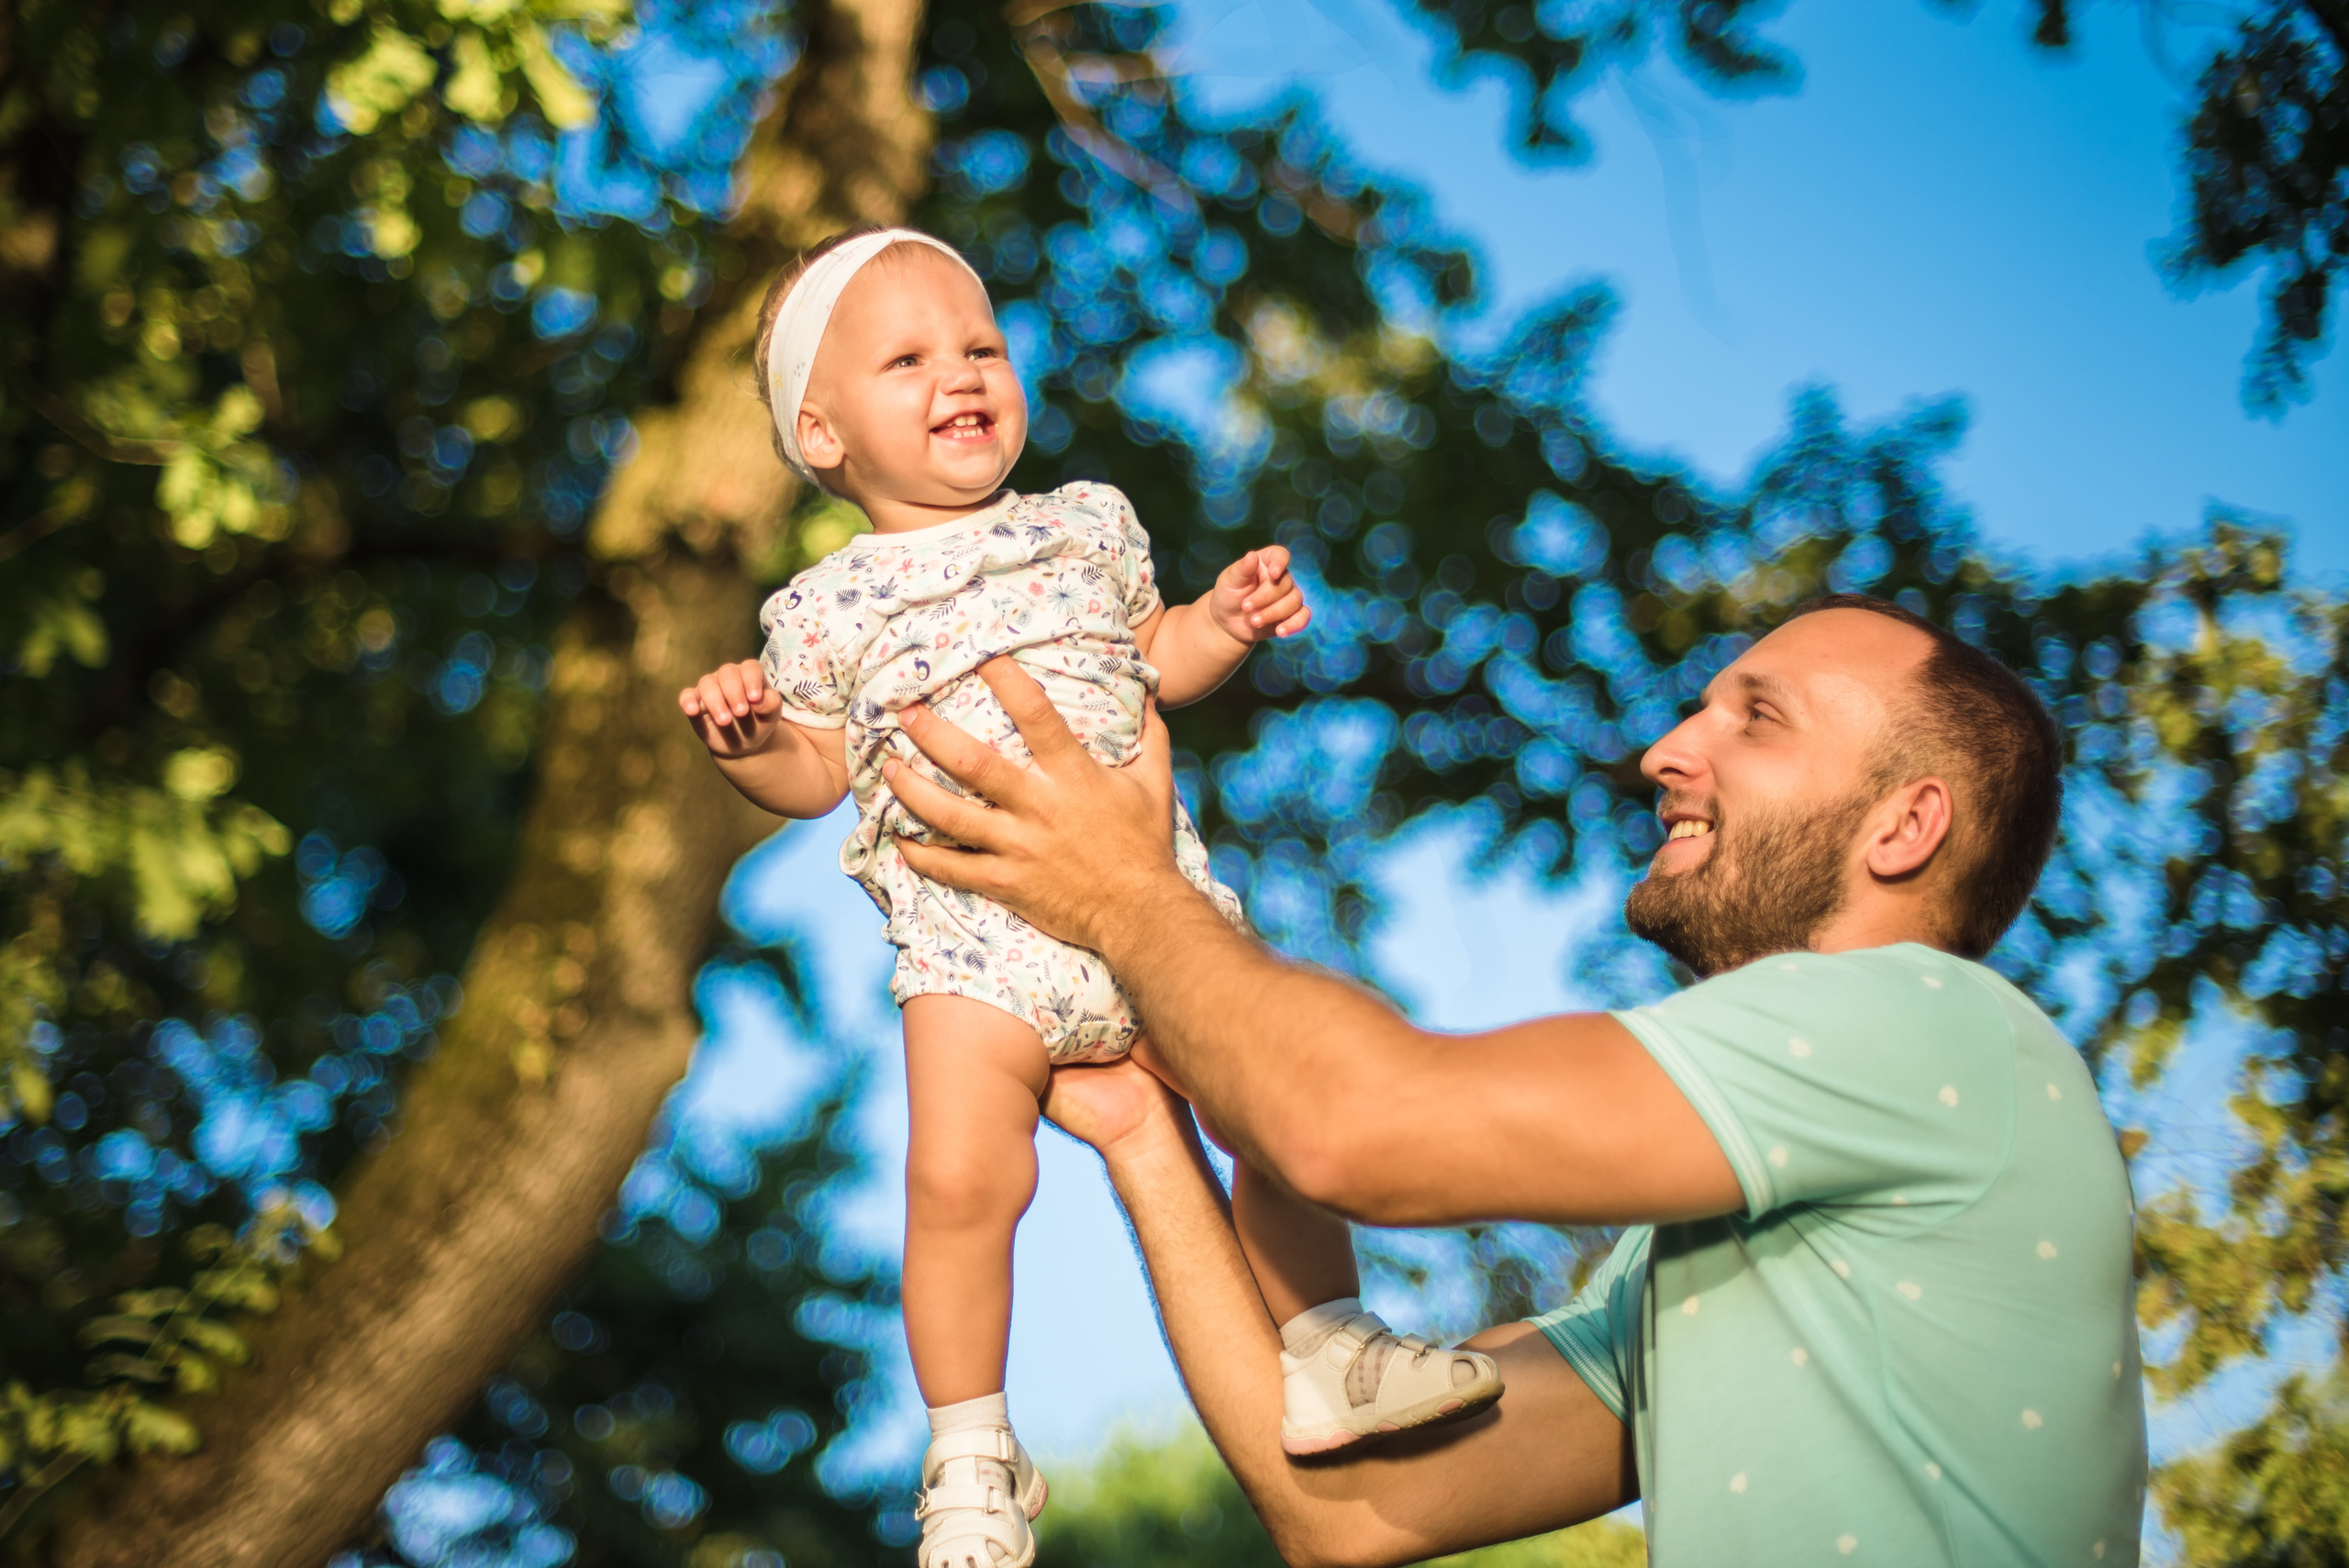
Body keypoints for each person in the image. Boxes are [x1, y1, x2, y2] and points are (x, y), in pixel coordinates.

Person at [881, 598, 2149, 1567]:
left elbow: (1351, 1126)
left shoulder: (1935, 1026)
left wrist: (1123, 888)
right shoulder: (1693, 1267)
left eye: (1757, 716)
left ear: (1906, 826)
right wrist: (1145, 1129)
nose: (1665, 750)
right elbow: (1353, 1507)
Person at [677, 227, 1499, 1568]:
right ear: (821, 434)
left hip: (1154, 909)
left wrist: (1222, 623)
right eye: (908, 357)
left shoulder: (1086, 522)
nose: (962, 372)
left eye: (982, 345)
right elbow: (818, 770)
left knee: (1276, 1111)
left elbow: (1153, 658)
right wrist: (749, 737)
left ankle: (1331, 1344)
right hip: (972, 939)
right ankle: (971, 1453)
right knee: (957, 1178)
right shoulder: (819, 611)